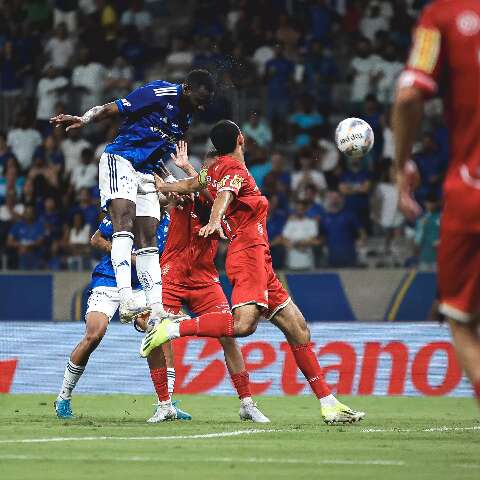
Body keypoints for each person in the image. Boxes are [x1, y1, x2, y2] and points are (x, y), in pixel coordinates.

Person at [148, 120, 365, 424]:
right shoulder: (234, 171)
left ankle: (329, 403)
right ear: (241, 139)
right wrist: (214, 218)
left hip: (262, 259)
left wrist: (166, 185)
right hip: (247, 254)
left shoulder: (214, 169)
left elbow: (192, 184)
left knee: (298, 328)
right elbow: (223, 195)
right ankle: (171, 329)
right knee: (243, 325)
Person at [50, 69, 215, 324]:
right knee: (123, 221)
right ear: (187, 88)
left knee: (148, 235)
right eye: (199, 101)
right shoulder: (158, 93)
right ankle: (126, 298)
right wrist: (84, 119)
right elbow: (112, 108)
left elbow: (158, 154)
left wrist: (170, 182)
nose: (202, 108)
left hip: (145, 171)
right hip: (121, 159)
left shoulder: (186, 117)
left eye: (206, 104)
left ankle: (157, 306)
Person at [393, 0, 480, 406]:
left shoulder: (441, 16)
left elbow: (410, 95)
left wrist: (400, 165)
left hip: (471, 188)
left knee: (461, 320)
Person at [149, 144, 270, 423]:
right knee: (158, 332)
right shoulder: (183, 192)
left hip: (205, 276)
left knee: (228, 334)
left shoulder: (220, 198)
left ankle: (246, 403)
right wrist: (167, 186)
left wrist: (187, 170)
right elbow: (170, 194)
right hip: (173, 273)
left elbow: (207, 190)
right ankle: (164, 403)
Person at [54, 212, 192, 422]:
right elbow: (96, 238)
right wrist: (120, 253)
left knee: (157, 332)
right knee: (94, 335)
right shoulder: (126, 211)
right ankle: (63, 397)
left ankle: (166, 403)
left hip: (140, 288)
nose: (168, 194)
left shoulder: (170, 223)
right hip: (109, 280)